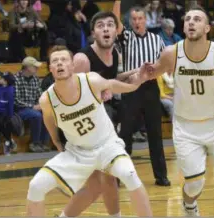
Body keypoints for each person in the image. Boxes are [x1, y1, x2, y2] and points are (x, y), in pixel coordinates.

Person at [142, 5, 214, 216]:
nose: (191, 22)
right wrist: (136, 75)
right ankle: (190, 206)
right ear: (183, 27)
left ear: (207, 28)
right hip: (185, 127)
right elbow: (149, 74)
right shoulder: (171, 53)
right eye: (188, 19)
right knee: (194, 185)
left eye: (197, 19)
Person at [26, 45, 152, 217]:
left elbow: (114, 84)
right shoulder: (47, 99)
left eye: (64, 60)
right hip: (78, 152)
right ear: (50, 69)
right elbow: (48, 119)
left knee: (129, 175)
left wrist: (137, 83)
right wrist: (55, 141)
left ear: (72, 65)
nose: (60, 63)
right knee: (36, 186)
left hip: (107, 145)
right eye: (55, 61)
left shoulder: (90, 81)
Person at [62, 11, 125, 217]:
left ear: (116, 31)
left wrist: (137, 74)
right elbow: (73, 97)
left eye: (110, 25)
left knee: (105, 178)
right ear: (93, 33)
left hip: (100, 122)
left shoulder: (116, 53)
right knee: (99, 181)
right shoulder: (82, 58)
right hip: (81, 125)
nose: (106, 28)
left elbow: (110, 82)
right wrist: (100, 92)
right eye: (100, 25)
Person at [113, 0, 170, 186]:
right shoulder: (127, 37)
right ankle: (119, 177)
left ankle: (161, 176)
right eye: (134, 19)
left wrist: (155, 69)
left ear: (145, 20)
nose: (137, 21)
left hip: (151, 88)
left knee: (155, 133)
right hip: (131, 88)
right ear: (130, 21)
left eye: (140, 18)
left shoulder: (157, 39)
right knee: (126, 134)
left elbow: (164, 65)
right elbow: (114, 20)